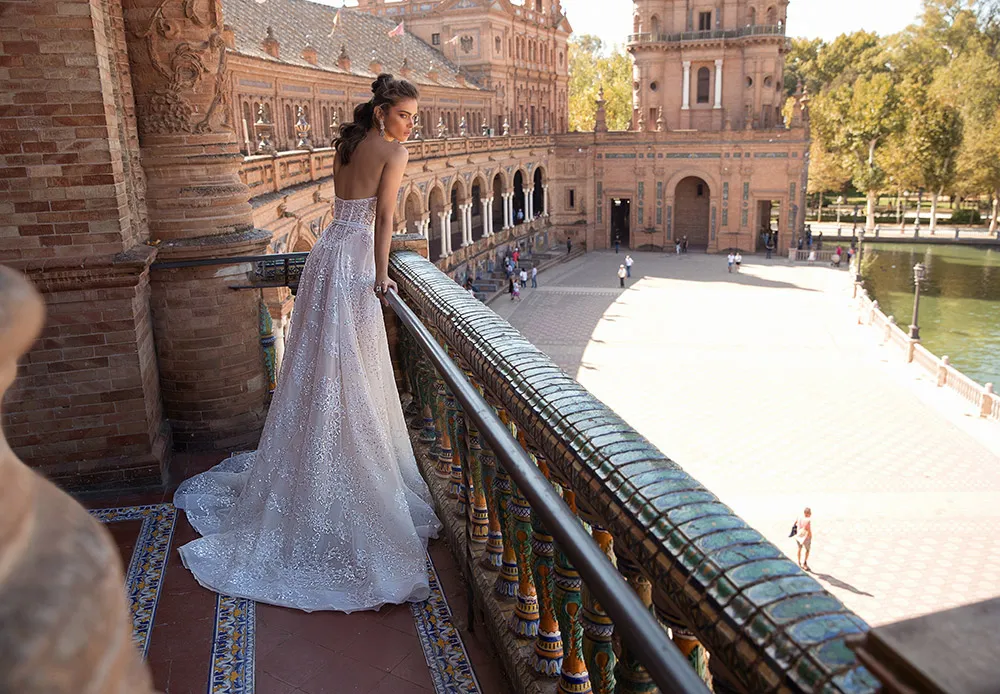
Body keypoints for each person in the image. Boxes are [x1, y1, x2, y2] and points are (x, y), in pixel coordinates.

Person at [172, 74, 441, 614]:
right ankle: (346, 469)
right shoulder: (393, 151)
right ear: (385, 111)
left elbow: (349, 207)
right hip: (356, 263)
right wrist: (383, 274)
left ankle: (317, 464)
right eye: (407, 113)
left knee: (319, 364)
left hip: (325, 256)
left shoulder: (347, 144)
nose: (413, 124)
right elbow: (386, 217)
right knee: (355, 366)